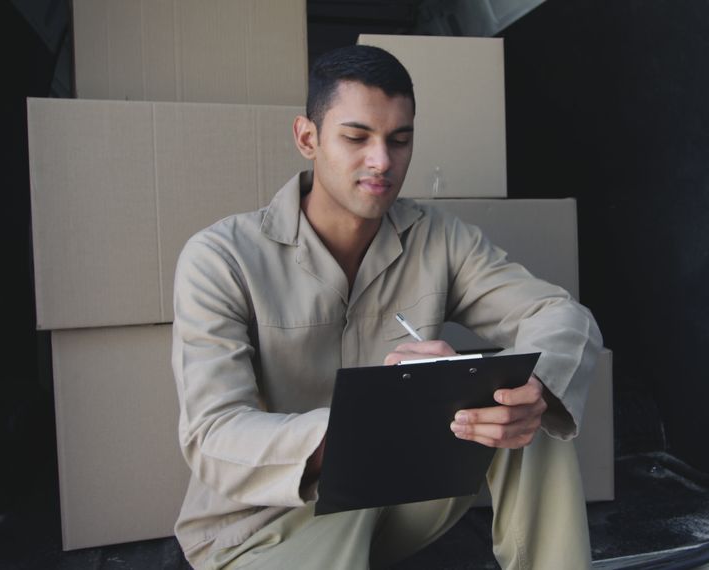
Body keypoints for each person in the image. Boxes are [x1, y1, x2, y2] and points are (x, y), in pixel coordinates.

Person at [171, 44, 603, 569]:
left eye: (399, 141)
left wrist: (531, 392)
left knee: (525, 406)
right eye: (357, 138)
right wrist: (368, 423)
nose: (382, 161)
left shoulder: (440, 238)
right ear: (307, 138)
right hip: (263, 526)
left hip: (393, 497)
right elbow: (213, 432)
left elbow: (563, 317)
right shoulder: (220, 258)